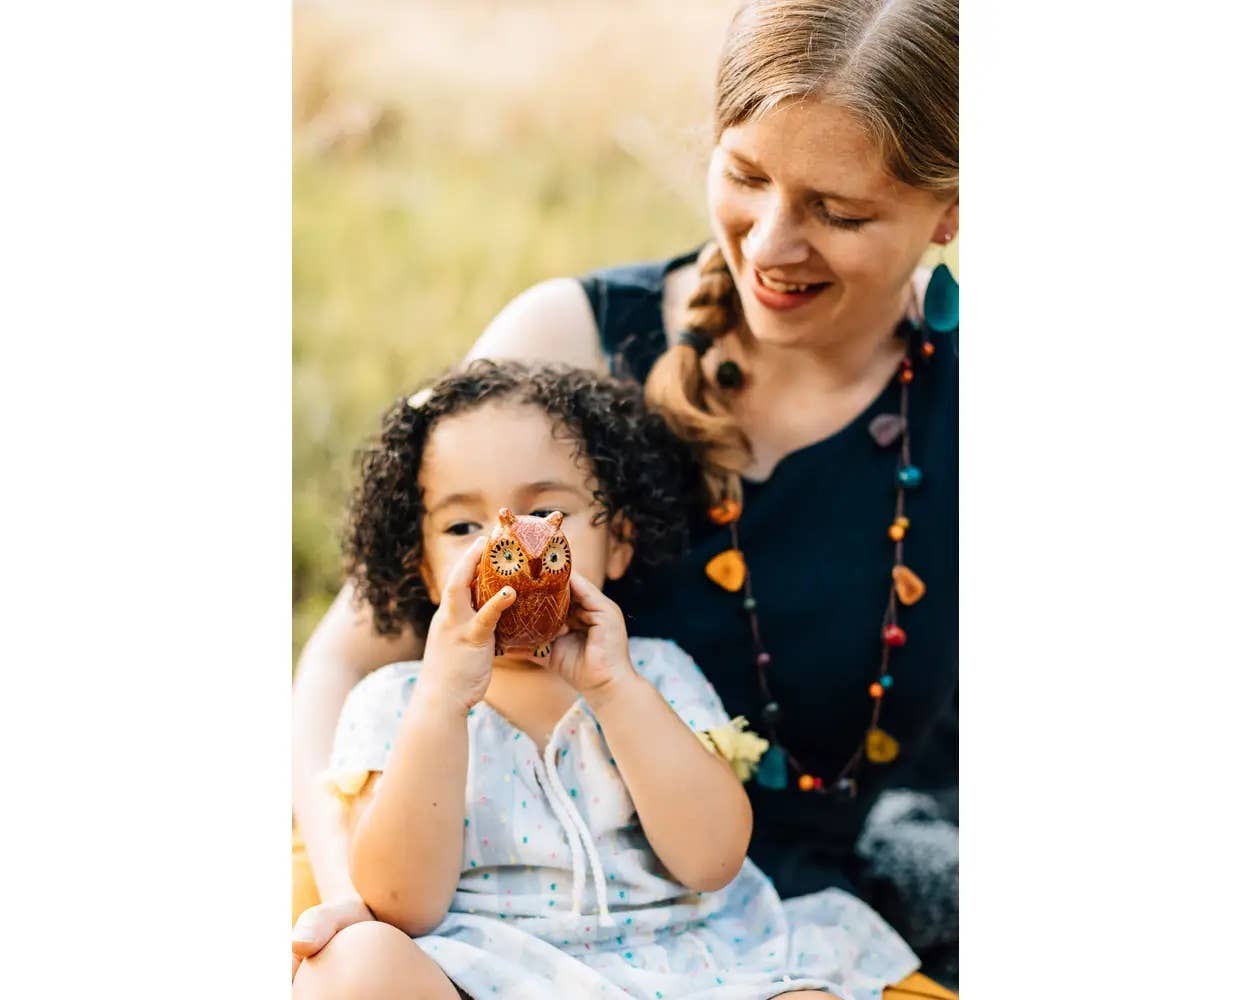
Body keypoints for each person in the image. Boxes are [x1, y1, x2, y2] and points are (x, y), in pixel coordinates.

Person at [292, 0, 959, 992]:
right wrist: (352, 893)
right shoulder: (568, 341)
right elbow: (353, 648)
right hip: (444, 880)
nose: (770, 243)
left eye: (838, 210)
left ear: (948, 212)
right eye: (743, 176)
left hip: (737, 926)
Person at [292, 360, 923, 999]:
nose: (505, 549)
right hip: (488, 970)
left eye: (542, 512)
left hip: (685, 968)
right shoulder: (397, 701)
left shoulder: (654, 672)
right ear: (425, 569)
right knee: (354, 964)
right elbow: (402, 906)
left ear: (617, 543)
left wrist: (615, 691)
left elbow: (713, 861)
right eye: (462, 527)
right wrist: (441, 705)